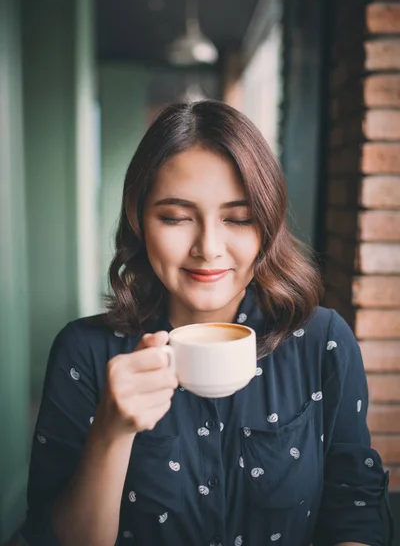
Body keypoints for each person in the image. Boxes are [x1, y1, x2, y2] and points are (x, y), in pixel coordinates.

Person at [16, 100, 391, 546]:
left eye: (238, 218)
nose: (208, 248)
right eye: (175, 217)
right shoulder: (85, 351)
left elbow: (354, 510)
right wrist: (110, 433)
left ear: (267, 225)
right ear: (138, 220)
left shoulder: (322, 341)